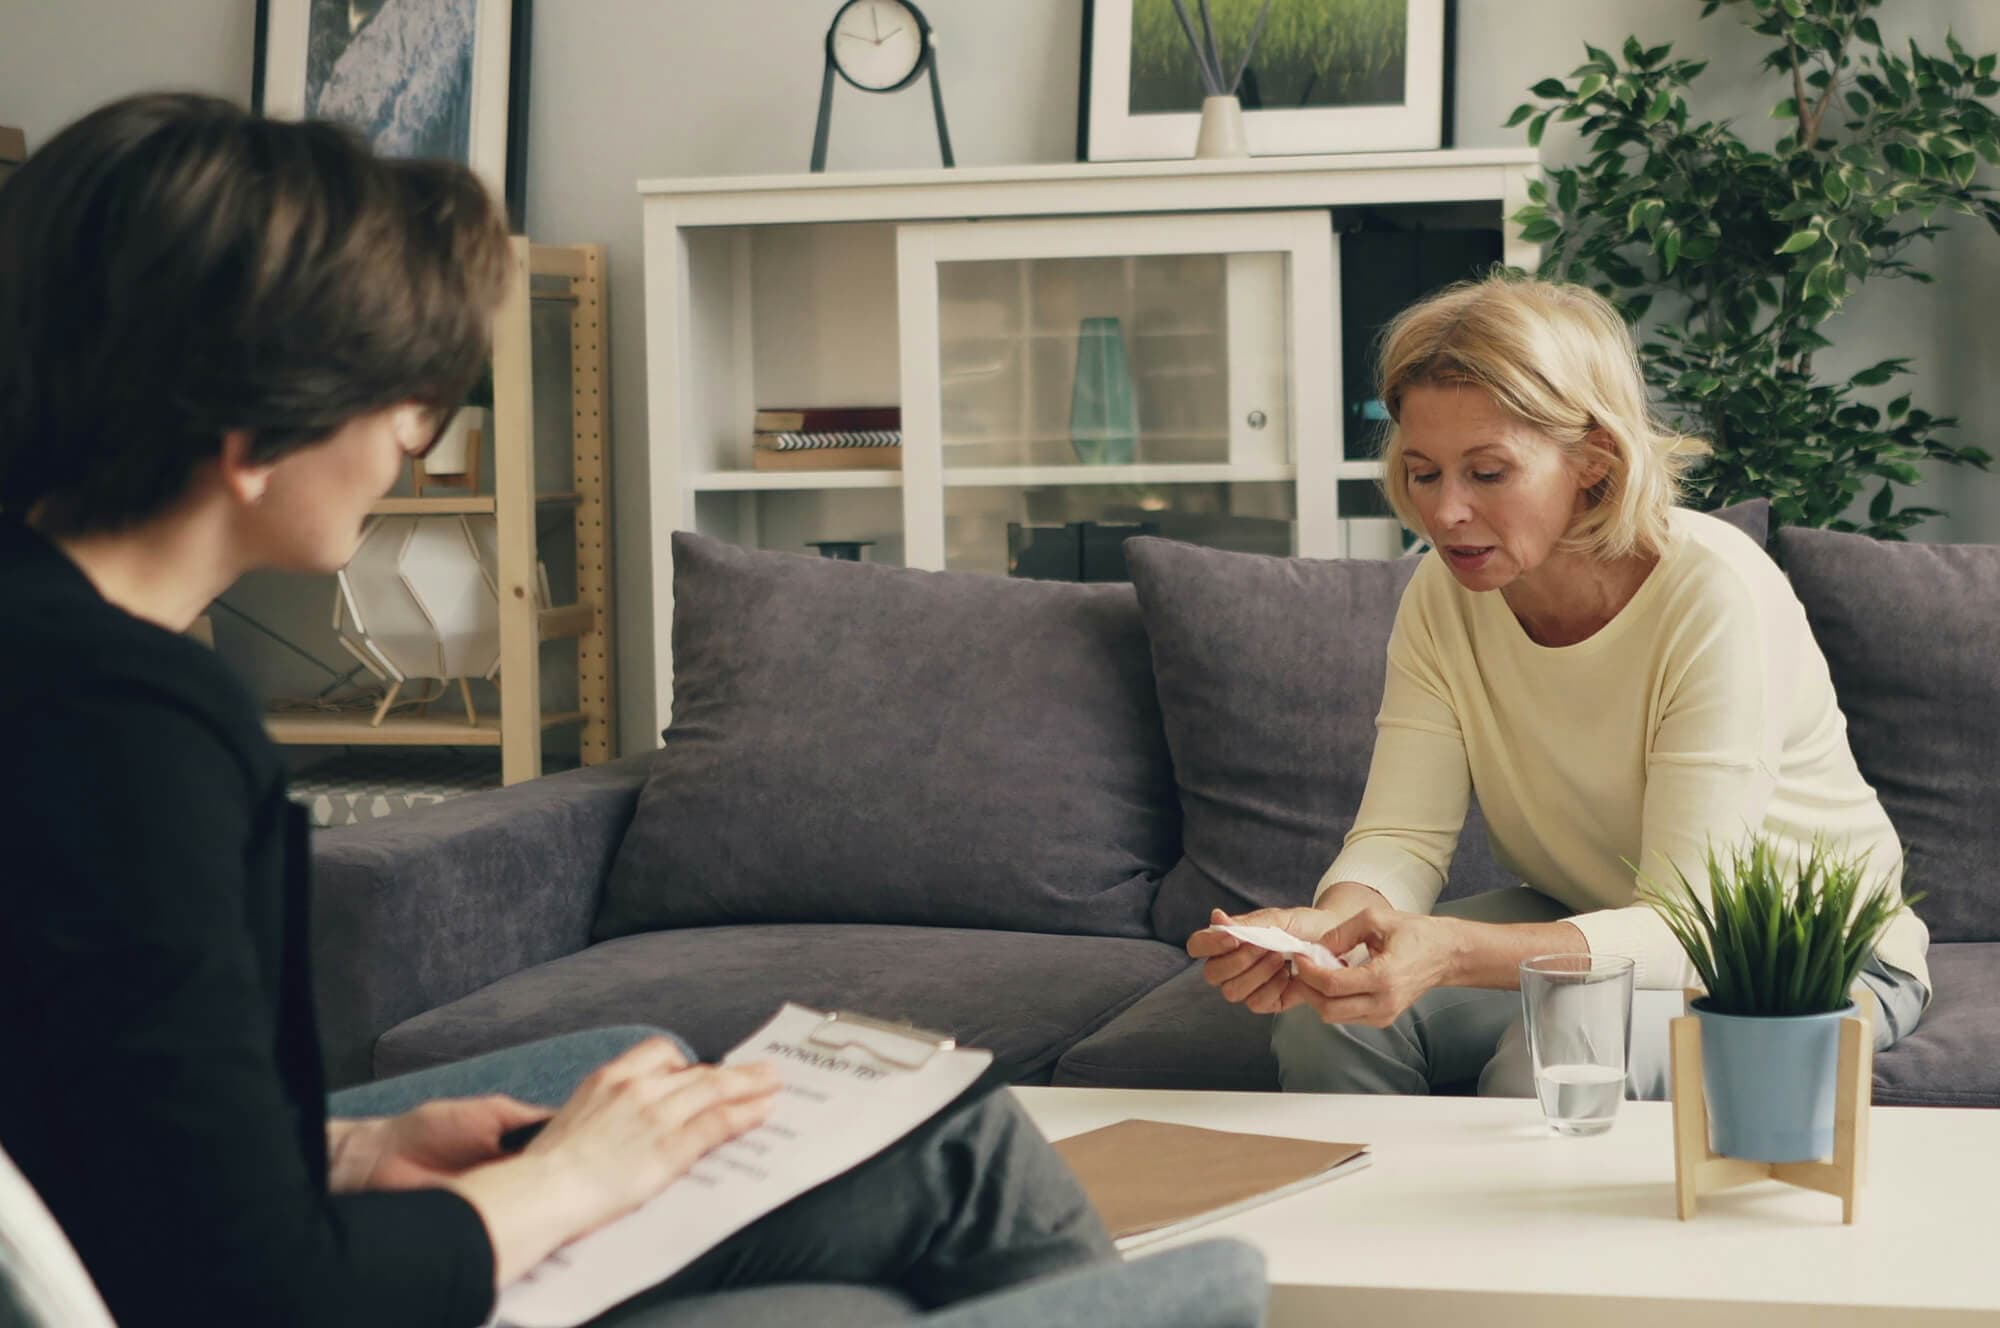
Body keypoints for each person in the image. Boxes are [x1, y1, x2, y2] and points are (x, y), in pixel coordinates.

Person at [0, 93, 1119, 1328]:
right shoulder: (128, 732)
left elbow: (76, 1116)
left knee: (823, 1207)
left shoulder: (56, 660)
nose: (412, 447)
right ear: (254, 428)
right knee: (925, 1237)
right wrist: (568, 1181)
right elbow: (261, 1288)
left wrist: (348, 1153)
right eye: (399, 399)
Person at [1187, 274, 1930, 1099]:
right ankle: (1369, 1229)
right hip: (1588, 921)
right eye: (1425, 472)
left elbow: (1689, 928)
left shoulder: (1714, 594)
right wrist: (1331, 932)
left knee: (1560, 1055)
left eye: (1489, 473)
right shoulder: (1440, 595)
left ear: (1593, 459)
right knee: (1332, 1014)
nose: (1447, 513)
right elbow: (1401, 837)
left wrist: (1455, 950)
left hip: (1800, 953)